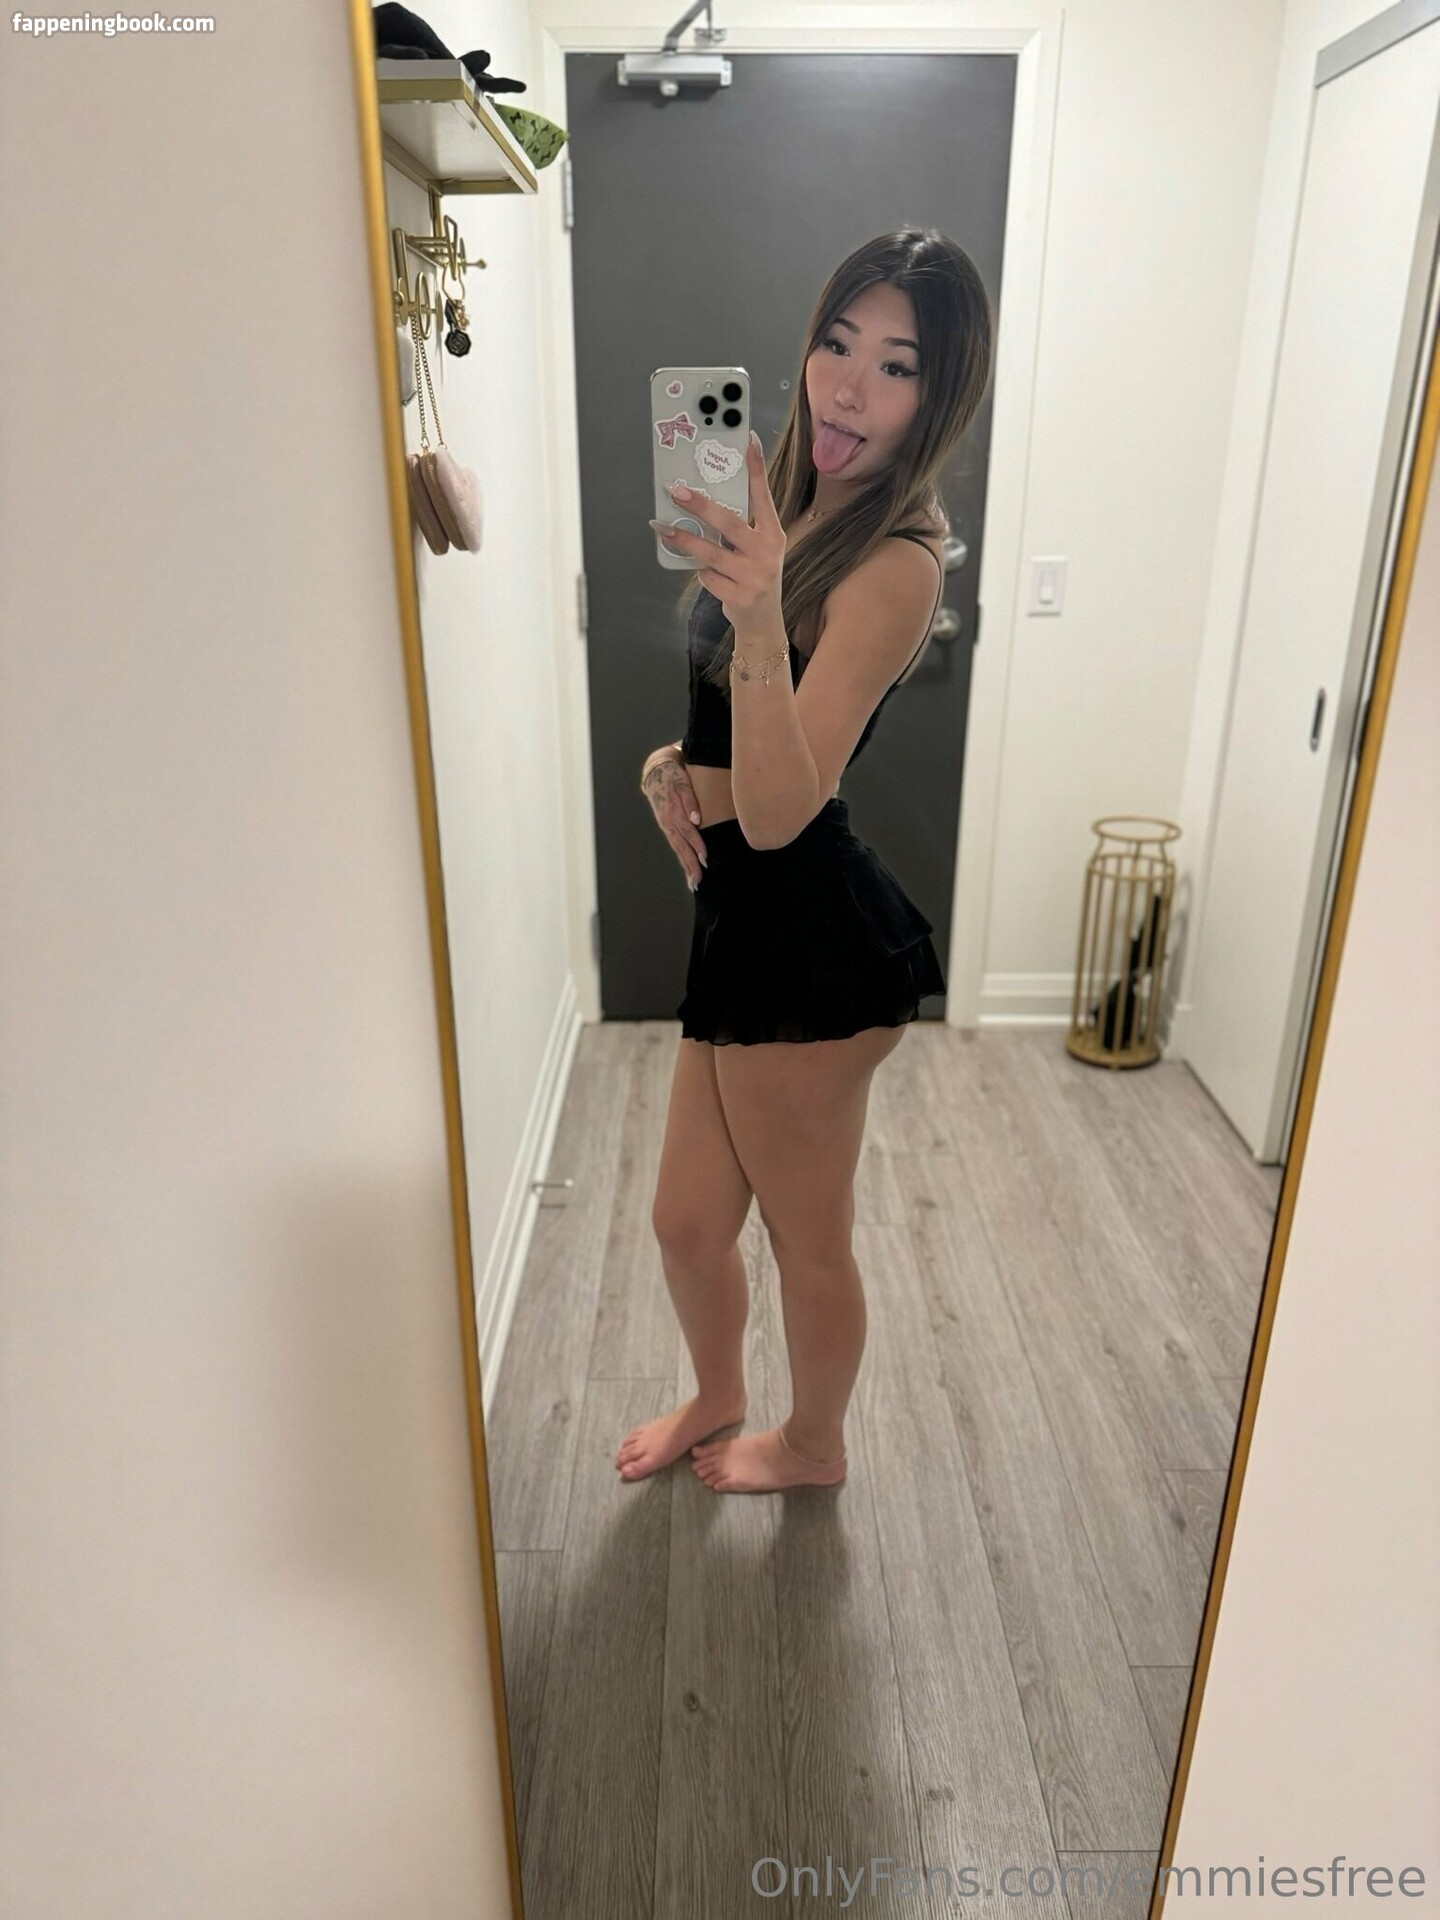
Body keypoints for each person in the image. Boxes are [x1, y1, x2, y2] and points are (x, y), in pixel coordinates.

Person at [620, 228, 993, 1494]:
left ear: (936, 398)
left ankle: (815, 1446)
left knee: (805, 1240)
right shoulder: (783, 497)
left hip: (810, 937)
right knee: (685, 1224)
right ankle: (720, 1393)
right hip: (737, 908)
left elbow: (783, 812)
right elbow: (732, 726)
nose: (847, 388)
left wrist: (760, 612)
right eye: (838, 344)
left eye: (896, 366)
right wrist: (672, 763)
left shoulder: (895, 564)